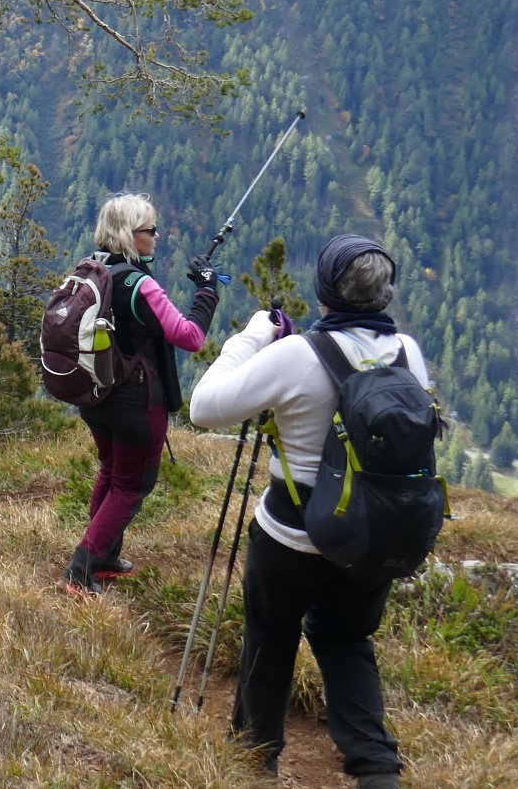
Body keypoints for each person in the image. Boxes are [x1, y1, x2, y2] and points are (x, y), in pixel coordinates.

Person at [188, 234, 429, 789]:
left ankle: (256, 764)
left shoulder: (298, 355)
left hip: (291, 535)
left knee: (270, 639)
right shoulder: (407, 354)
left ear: (324, 291)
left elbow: (203, 408)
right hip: (369, 534)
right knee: (348, 641)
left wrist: (251, 337)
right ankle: (376, 771)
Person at [62, 192, 220, 595]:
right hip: (136, 403)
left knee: (112, 473)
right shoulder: (140, 284)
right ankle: (82, 570)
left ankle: (106, 556)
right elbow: (190, 336)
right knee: (132, 486)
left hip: (96, 395)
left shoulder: (93, 271)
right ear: (131, 236)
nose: (158, 236)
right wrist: (207, 291)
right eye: (151, 230)